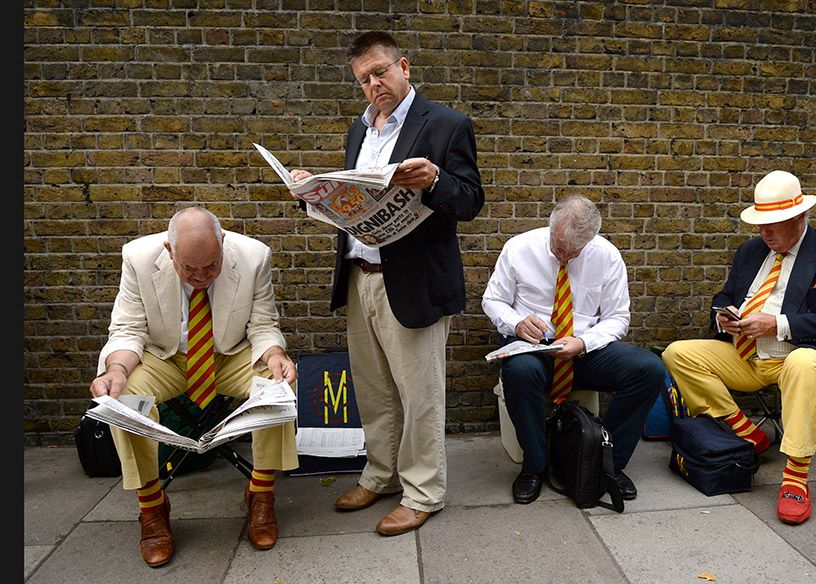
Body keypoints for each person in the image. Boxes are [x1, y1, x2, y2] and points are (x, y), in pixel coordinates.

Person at [288, 31, 484, 536]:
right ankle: (380, 474)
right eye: (364, 80)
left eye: (380, 72)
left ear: (405, 66)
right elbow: (355, 200)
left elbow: (470, 201)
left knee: (419, 394)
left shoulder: (446, 124)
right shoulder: (360, 130)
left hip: (414, 282)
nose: (374, 85)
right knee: (374, 391)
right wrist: (314, 193)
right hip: (359, 277)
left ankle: (423, 492)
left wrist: (437, 180)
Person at [88, 207, 299, 567]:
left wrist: (276, 353)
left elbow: (263, 324)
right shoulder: (138, 258)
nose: (201, 276)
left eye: (211, 266)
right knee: (123, 397)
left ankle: (261, 495)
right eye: (189, 268)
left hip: (227, 354)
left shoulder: (253, 256)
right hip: (166, 358)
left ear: (222, 244)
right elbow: (128, 329)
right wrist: (117, 369)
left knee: (274, 384)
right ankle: (152, 508)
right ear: (170, 251)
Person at [661, 170, 816, 525]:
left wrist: (779, 324)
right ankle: (746, 432)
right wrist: (721, 317)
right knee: (677, 352)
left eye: (774, 224)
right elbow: (724, 297)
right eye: (761, 224)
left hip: (795, 357)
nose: (765, 232)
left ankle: (796, 477)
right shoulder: (751, 251)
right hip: (746, 354)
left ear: (800, 217)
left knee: (804, 363)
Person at [481, 196, 666, 505]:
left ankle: (608, 462)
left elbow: (618, 318)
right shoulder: (519, 248)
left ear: (590, 238)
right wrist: (516, 323)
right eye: (558, 246)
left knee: (650, 370)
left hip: (586, 349)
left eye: (573, 251)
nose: (563, 254)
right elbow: (493, 300)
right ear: (551, 226)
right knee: (520, 372)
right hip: (534, 347)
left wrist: (583, 343)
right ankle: (534, 466)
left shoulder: (607, 257)